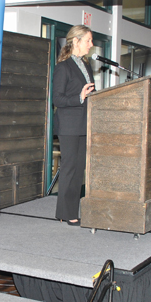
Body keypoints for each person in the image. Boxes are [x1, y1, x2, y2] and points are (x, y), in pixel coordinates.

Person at [52, 25, 95, 226]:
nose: (91, 44)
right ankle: (66, 212)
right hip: (69, 126)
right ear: (76, 41)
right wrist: (80, 96)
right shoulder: (63, 67)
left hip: (84, 124)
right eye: (88, 40)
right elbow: (57, 99)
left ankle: (70, 210)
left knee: (79, 170)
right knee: (69, 169)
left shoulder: (85, 66)